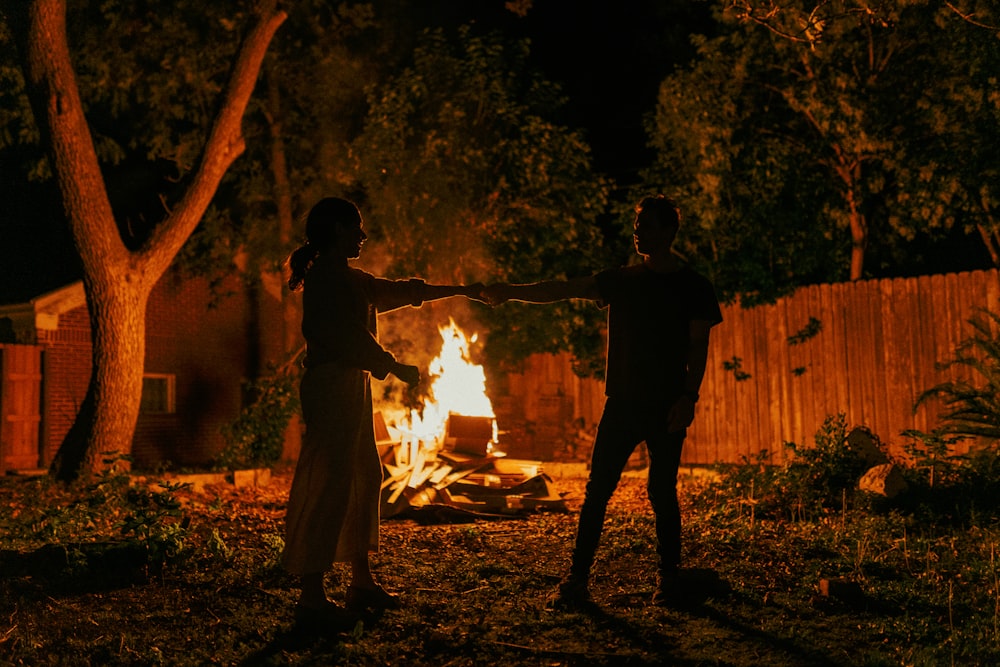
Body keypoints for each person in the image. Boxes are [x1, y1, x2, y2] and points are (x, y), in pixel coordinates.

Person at [483, 194, 722, 609]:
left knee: (662, 491)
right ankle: (577, 581)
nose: (637, 231)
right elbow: (561, 290)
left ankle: (668, 581)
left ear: (667, 232)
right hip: (623, 404)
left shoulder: (694, 286)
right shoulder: (622, 280)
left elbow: (698, 347)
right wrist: (509, 292)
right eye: (637, 224)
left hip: (667, 404)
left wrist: (688, 398)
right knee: (597, 492)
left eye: (646, 225)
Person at [282, 196, 484, 629]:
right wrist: (392, 365)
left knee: (363, 476)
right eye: (356, 226)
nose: (362, 234)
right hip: (331, 388)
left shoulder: (352, 281)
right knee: (330, 482)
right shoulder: (325, 281)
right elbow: (347, 337)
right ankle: (311, 596)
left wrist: (464, 291)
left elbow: (403, 290)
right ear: (337, 229)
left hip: (351, 388)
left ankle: (360, 581)